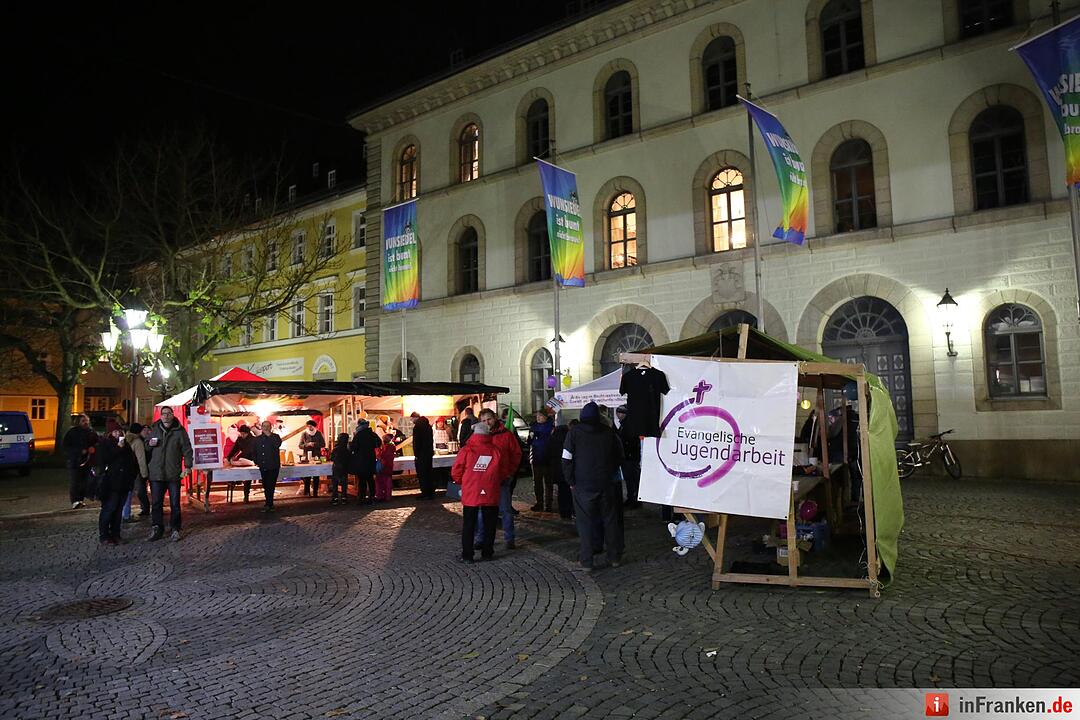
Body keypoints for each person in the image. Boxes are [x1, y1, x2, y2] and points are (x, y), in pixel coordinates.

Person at [562, 401, 624, 569]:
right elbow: (619, 456)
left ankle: (587, 560)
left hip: (582, 484)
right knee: (610, 521)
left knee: (585, 523)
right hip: (606, 483)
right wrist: (610, 471)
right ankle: (614, 557)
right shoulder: (608, 433)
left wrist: (571, 481)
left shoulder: (574, 433)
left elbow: (566, 459)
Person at [452, 422, 506, 563]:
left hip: (471, 491)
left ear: (474, 434)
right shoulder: (496, 450)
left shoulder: (466, 450)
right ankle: (487, 553)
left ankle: (467, 555)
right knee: (490, 524)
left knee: (469, 525)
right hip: (490, 491)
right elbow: (503, 471)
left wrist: (461, 482)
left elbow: (456, 470)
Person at [473, 408, 522, 550]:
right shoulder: (478, 436)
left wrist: (510, 472)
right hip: (484, 481)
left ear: (494, 418)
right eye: (483, 420)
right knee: (482, 511)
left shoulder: (506, 435)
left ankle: (509, 538)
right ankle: (481, 538)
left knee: (505, 510)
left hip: (502, 478)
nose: (487, 423)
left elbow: (516, 454)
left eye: (489, 419)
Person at [147, 406, 193, 542]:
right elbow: (146, 446)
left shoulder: (180, 431)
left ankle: (175, 528)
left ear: (172, 415)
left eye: (168, 413)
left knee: (175, 503)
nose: (166, 416)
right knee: (156, 503)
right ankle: (157, 527)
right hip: (156, 473)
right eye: (164, 414)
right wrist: (149, 443)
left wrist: (188, 465)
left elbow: (187, 449)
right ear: (160, 416)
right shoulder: (154, 429)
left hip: (173, 473)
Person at [95, 427, 138, 545]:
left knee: (118, 511)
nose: (118, 433)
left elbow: (132, 462)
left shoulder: (126, 445)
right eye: (115, 431)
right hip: (110, 484)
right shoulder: (105, 444)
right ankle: (104, 535)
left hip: (124, 483)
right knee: (109, 509)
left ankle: (116, 534)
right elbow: (104, 460)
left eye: (119, 431)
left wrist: (132, 477)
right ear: (109, 432)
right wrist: (118, 448)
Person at [62, 414, 97, 509]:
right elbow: (66, 447)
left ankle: (80, 499)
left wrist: (93, 448)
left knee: (85, 481)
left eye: (87, 420)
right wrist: (80, 451)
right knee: (75, 481)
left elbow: (97, 443)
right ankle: (75, 500)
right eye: (83, 421)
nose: (86, 422)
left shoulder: (91, 432)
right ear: (78, 422)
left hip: (87, 461)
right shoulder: (72, 432)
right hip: (75, 461)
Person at [121, 423, 150, 523]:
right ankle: (128, 514)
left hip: (125, 470)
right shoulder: (137, 441)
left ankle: (124, 514)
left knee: (127, 493)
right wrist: (144, 473)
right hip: (135, 471)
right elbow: (141, 459)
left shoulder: (126, 439)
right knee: (139, 491)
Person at [547, 419, 575, 520]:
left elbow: (548, 453)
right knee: (568, 491)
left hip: (557, 471)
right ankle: (570, 510)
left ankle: (563, 512)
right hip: (567, 470)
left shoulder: (552, 438)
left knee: (562, 492)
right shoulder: (568, 439)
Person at [615, 405, 642, 509]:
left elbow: (630, 441)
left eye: (620, 412)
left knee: (632, 479)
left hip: (630, 457)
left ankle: (634, 499)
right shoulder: (624, 424)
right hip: (628, 456)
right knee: (630, 479)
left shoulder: (628, 425)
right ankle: (632, 498)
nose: (618, 415)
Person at [349, 419, 381, 503]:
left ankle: (362, 497)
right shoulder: (372, 434)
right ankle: (372, 496)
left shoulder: (358, 435)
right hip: (371, 459)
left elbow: (353, 447)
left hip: (361, 460)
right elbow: (379, 443)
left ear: (359, 425)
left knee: (362, 480)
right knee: (370, 479)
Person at [528, 410, 555, 512]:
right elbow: (529, 441)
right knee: (537, 482)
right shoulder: (533, 426)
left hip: (548, 458)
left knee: (548, 483)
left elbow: (551, 440)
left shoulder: (551, 427)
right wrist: (530, 437)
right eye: (537, 416)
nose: (538, 418)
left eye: (540, 416)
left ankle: (549, 504)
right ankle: (539, 503)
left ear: (545, 417)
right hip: (536, 458)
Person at [253, 420, 282, 512]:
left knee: (271, 485)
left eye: (267, 426)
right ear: (261, 427)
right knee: (265, 485)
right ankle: (268, 503)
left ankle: (269, 504)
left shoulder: (276, 437)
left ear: (270, 427)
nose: (266, 428)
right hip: (263, 465)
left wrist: (269, 435)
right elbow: (254, 451)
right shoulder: (257, 439)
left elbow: (277, 445)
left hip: (273, 465)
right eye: (264, 426)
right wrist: (256, 461)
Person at [226, 424, 257, 502]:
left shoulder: (253, 440)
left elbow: (248, 451)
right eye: (241, 433)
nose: (242, 435)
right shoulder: (240, 439)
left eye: (244, 434)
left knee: (247, 478)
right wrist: (229, 457)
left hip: (251, 460)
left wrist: (238, 458)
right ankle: (233, 485)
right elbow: (235, 449)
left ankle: (246, 496)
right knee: (234, 472)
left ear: (248, 433)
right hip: (242, 460)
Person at [298, 420, 326, 496]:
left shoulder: (318, 433)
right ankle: (306, 492)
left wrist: (315, 444)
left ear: (314, 427)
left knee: (316, 475)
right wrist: (307, 444)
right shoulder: (304, 434)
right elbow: (300, 445)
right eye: (308, 426)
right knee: (307, 475)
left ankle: (315, 492)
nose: (309, 428)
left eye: (311, 426)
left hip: (317, 457)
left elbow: (323, 444)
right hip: (307, 457)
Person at [411, 413, 435, 500]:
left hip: (421, 454)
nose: (411, 420)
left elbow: (416, 442)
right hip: (428, 453)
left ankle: (425, 493)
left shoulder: (417, 427)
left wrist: (416, 454)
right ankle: (430, 492)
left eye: (412, 418)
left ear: (415, 418)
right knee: (429, 472)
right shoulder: (428, 426)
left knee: (422, 474)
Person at [330, 433, 352, 504]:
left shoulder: (335, 449)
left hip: (336, 468)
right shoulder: (347, 449)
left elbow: (332, 458)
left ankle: (335, 498)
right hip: (344, 468)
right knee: (344, 484)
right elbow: (349, 459)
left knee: (335, 484)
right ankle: (344, 498)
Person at [375, 434, 397, 501]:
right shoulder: (392, 446)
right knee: (388, 481)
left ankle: (380, 495)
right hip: (389, 465)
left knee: (379, 481)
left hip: (383, 465)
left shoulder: (384, 447)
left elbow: (380, 455)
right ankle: (388, 496)